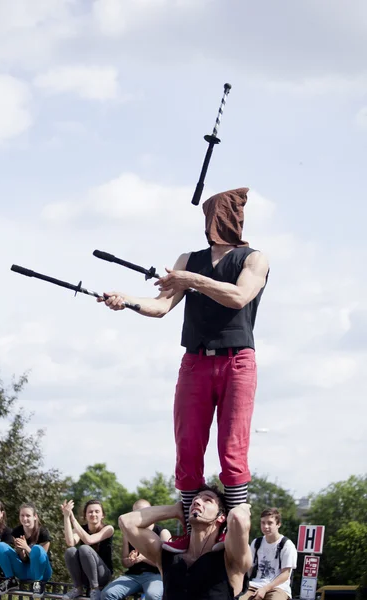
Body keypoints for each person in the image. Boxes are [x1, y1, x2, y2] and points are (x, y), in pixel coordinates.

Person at [100, 188, 269, 550]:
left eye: (218, 213)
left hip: (237, 360)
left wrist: (190, 279)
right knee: (188, 447)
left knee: (231, 449)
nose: (213, 221)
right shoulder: (188, 259)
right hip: (194, 361)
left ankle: (232, 534)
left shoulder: (254, 259)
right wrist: (125, 300)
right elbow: (161, 306)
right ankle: (191, 533)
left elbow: (238, 297)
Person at [118, 485, 252, 600]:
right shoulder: (167, 556)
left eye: (207, 500)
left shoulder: (230, 558)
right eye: (195, 499)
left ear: (221, 517)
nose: (197, 501)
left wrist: (241, 508)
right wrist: (174, 510)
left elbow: (237, 517)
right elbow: (126, 521)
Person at [101, 499, 170, 600]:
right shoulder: (128, 534)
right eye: (137, 513)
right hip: (133, 576)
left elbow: (167, 564)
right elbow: (124, 563)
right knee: (107, 594)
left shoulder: (162, 532)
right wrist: (130, 561)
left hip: (156, 576)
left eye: (144, 512)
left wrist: (143, 558)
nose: (141, 516)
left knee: (153, 596)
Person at [0, 502, 52, 598]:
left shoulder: (43, 533)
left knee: (37, 548)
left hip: (41, 571)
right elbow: (24, 559)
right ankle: (11, 580)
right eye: (22, 515)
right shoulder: (17, 532)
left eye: (28, 515)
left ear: (35, 517)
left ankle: (38, 584)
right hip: (25, 570)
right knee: (0, 546)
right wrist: (20, 550)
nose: (25, 518)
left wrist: (26, 547)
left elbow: (40, 559)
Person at [62, 499, 114, 600]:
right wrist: (66, 516)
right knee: (70, 551)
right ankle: (78, 588)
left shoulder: (108, 529)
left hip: (102, 576)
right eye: (90, 512)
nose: (93, 514)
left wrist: (73, 519)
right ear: (85, 515)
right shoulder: (81, 529)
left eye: (97, 511)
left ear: (102, 515)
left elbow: (89, 540)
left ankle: (95, 589)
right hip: (86, 575)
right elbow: (70, 543)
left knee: (84, 548)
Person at [242, 508, 297, 600]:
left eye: (270, 523)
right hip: (255, 584)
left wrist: (265, 589)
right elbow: (249, 568)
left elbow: (285, 574)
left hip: (278, 587)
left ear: (278, 524)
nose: (265, 526)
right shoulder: (257, 542)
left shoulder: (286, 545)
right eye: (263, 523)